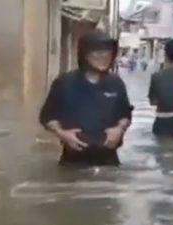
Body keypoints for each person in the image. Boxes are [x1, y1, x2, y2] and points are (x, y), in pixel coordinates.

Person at [39, 30, 133, 166]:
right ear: (84, 54)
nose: (104, 55)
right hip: (72, 162)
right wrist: (62, 133)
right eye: (98, 51)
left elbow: (125, 115)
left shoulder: (116, 83)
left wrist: (119, 129)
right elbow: (47, 117)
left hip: (109, 162)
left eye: (108, 52)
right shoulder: (64, 83)